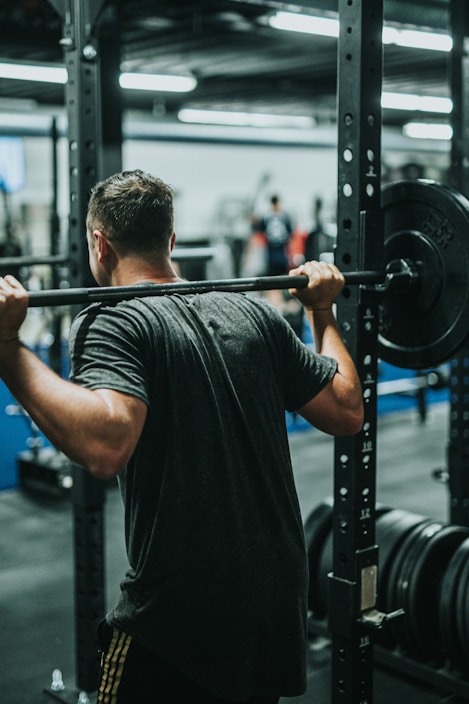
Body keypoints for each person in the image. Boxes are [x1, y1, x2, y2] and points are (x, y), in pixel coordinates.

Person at [0, 169, 363, 704]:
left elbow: (106, 446)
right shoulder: (251, 312)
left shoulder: (114, 321)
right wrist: (322, 311)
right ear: (170, 241)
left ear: (99, 245)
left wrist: (8, 346)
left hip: (179, 620)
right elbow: (347, 410)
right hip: (276, 604)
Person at [257, 194, 294, 310]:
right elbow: (290, 235)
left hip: (273, 253)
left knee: (274, 280)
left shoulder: (266, 217)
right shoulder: (284, 217)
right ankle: (278, 305)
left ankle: (276, 305)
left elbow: (260, 234)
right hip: (280, 253)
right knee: (280, 280)